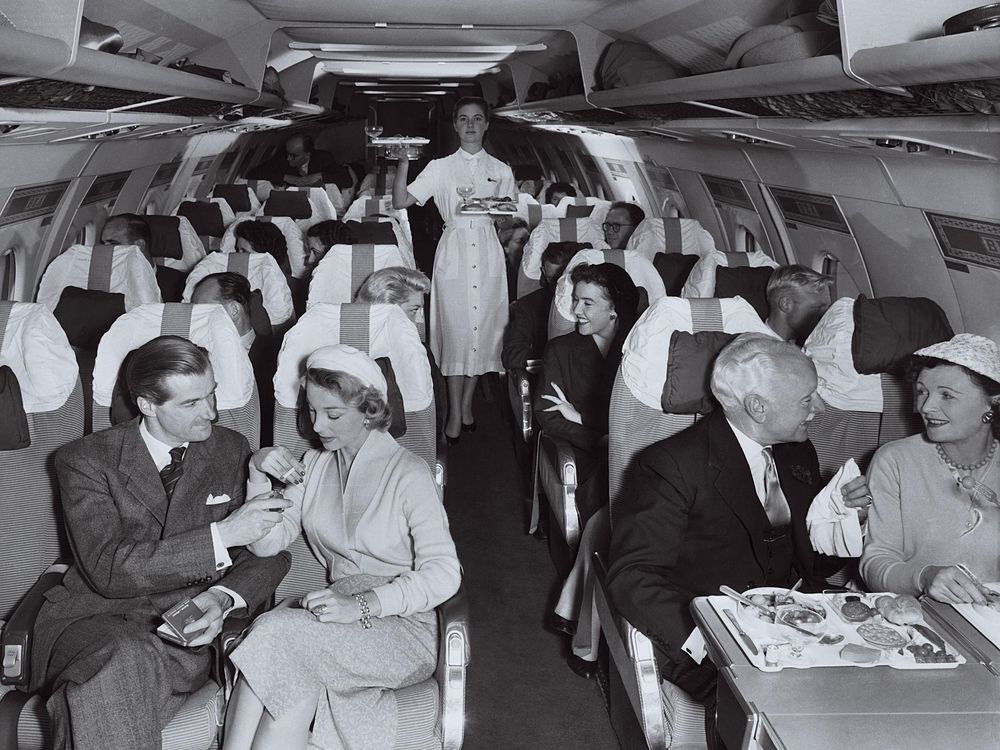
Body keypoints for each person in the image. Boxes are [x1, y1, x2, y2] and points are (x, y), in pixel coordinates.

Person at [29, 336, 292, 750]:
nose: (211, 412)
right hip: (89, 624)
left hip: (180, 633)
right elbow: (109, 569)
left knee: (97, 687)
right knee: (120, 662)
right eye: (190, 404)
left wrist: (223, 598)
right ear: (147, 405)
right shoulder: (84, 460)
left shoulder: (230, 449)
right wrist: (222, 535)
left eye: (211, 394)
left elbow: (270, 557)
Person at [606, 334, 869, 739]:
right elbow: (632, 576)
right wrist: (710, 643)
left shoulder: (797, 451)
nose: (817, 410)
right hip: (715, 637)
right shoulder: (672, 466)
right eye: (807, 399)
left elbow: (811, 563)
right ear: (757, 406)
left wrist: (845, 521)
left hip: (799, 622)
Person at [222, 344, 461, 750]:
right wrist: (257, 473)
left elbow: (445, 574)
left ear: (370, 410)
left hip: (403, 625)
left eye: (333, 415)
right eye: (312, 412)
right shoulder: (312, 465)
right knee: (291, 672)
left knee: (275, 632)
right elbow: (267, 544)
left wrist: (363, 605)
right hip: (336, 615)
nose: (317, 426)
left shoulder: (410, 474)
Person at [533, 263, 639, 677]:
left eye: (587, 302)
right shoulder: (561, 351)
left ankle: (577, 605)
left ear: (614, 310)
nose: (575, 310)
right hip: (592, 456)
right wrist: (594, 433)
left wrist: (585, 419)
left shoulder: (638, 351)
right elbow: (547, 415)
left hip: (630, 452)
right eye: (575, 300)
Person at [392, 96, 516, 443]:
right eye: (464, 119)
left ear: (487, 124)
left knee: (483, 333)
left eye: (477, 119)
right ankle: (452, 410)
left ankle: (464, 405)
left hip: (489, 250)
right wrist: (403, 164)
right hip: (454, 253)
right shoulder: (440, 167)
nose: (471, 125)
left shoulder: (502, 170)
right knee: (457, 332)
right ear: (455, 125)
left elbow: (505, 218)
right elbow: (401, 201)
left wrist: (482, 207)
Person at [861, 333, 1000, 602]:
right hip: (913, 613)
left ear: (992, 402)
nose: (925, 406)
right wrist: (923, 577)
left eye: (947, 395)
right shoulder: (894, 461)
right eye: (922, 391)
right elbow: (875, 564)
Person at [191, 272, 280, 446]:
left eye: (203, 309)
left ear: (233, 310)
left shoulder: (278, 357)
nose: (196, 317)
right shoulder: (193, 359)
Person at [355, 266, 446, 433]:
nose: (419, 319)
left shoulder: (347, 339)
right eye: (414, 310)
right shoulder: (416, 353)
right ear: (387, 307)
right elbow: (434, 420)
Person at [501, 241, 585, 371]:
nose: (558, 286)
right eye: (553, 279)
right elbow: (511, 354)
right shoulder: (530, 305)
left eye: (563, 280)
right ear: (543, 273)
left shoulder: (593, 303)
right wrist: (553, 357)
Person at [765, 264, 833, 344]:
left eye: (827, 307)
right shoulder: (758, 350)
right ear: (785, 304)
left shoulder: (814, 343)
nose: (826, 316)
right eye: (817, 308)